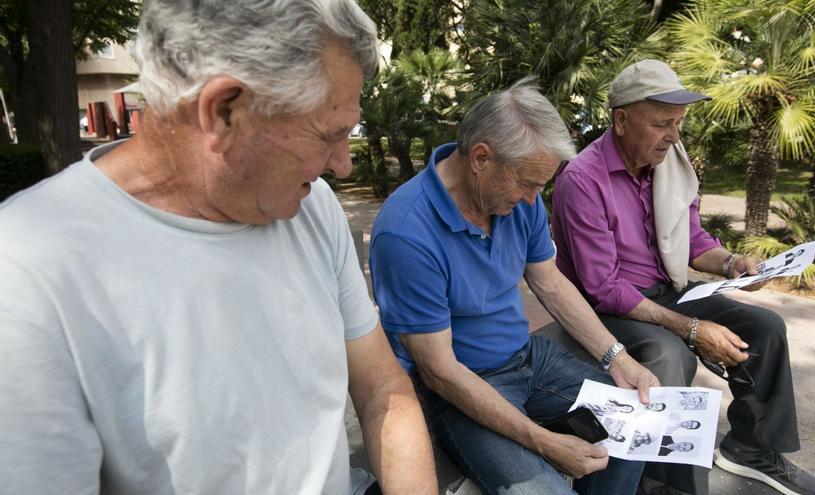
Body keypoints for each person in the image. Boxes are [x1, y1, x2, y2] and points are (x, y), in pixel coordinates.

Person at [0, 2, 436, 494]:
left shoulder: (312, 209)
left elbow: (384, 393)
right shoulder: (26, 270)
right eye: (330, 134)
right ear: (224, 110)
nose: (343, 166)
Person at [551, 59, 815, 495]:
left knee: (765, 328)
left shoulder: (669, 164)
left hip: (667, 290)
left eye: (679, 123)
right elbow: (603, 288)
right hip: (608, 305)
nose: (675, 136)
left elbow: (692, 238)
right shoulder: (583, 180)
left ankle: (751, 450)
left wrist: (730, 264)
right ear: (621, 120)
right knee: (669, 355)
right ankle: (665, 484)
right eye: (663, 124)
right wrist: (693, 329)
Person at [369, 80, 659, 494]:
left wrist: (617, 357)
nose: (531, 200)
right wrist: (543, 441)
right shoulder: (406, 233)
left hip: (528, 359)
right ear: (481, 158)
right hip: (459, 385)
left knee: (636, 429)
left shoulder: (515, 200)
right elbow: (439, 370)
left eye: (540, 186)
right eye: (527, 183)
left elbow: (550, 281)